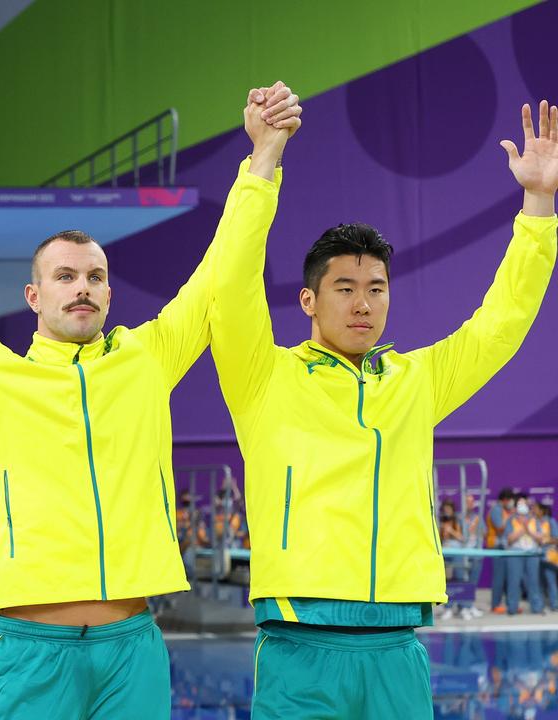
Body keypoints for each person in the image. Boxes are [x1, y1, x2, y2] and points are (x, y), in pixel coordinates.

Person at [0, 83, 303, 719]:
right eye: (65, 276)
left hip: (132, 649)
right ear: (33, 296)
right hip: (32, 651)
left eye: (95, 277)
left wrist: (263, 158)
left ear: (108, 293)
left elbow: (220, 270)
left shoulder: (147, 358)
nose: (83, 288)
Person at [209, 96, 558, 719]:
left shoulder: (416, 379)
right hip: (298, 644)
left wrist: (537, 207)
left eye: (376, 289)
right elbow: (231, 280)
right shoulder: (263, 377)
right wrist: (263, 158)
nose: (362, 304)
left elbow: (501, 325)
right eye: (344, 289)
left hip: (397, 646)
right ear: (309, 301)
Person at [506, 495, 547, 615]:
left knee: (534, 581)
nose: (522, 506)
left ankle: (537, 607)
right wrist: (523, 529)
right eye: (520, 504)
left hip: (532, 554)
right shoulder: (511, 520)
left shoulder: (535, 520)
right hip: (515, 554)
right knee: (514, 581)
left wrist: (528, 530)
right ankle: (512, 608)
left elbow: (540, 538)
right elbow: (509, 539)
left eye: (525, 504)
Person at [489, 489, 517, 613]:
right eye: (510, 500)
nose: (511, 503)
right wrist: (510, 516)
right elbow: (500, 528)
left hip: (507, 547)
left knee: (507, 578)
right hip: (498, 548)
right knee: (499, 578)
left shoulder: (505, 510)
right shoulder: (496, 510)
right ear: (505, 499)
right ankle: (495, 605)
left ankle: (509, 604)